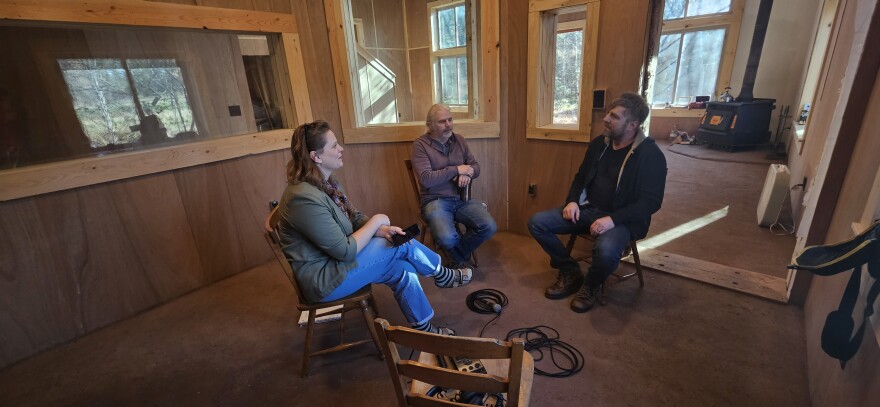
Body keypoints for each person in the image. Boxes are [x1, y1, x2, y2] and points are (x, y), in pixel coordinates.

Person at [277, 120, 473, 335]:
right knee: (399, 245)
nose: (341, 148)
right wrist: (377, 221)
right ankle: (442, 274)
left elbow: (355, 218)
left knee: (402, 269)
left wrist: (381, 230)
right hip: (323, 280)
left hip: (336, 263)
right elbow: (344, 251)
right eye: (334, 146)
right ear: (316, 157)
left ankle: (425, 330)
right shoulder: (303, 198)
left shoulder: (327, 182)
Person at [528, 92, 667, 312]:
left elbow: (651, 202)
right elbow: (580, 177)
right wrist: (572, 201)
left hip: (623, 220)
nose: (605, 119)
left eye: (614, 116)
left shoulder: (650, 155)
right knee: (537, 222)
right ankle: (570, 271)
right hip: (589, 209)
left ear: (632, 125)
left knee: (606, 250)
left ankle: (590, 285)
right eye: (607, 114)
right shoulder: (599, 144)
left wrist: (612, 220)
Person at [411, 104, 497, 267]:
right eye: (442, 121)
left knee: (489, 226)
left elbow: (476, 167)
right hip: (434, 201)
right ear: (430, 126)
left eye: (450, 119)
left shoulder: (460, 140)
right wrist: (456, 169)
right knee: (447, 237)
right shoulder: (420, 145)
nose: (448, 124)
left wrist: (468, 172)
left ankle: (454, 255)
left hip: (461, 199)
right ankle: (456, 253)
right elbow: (426, 179)